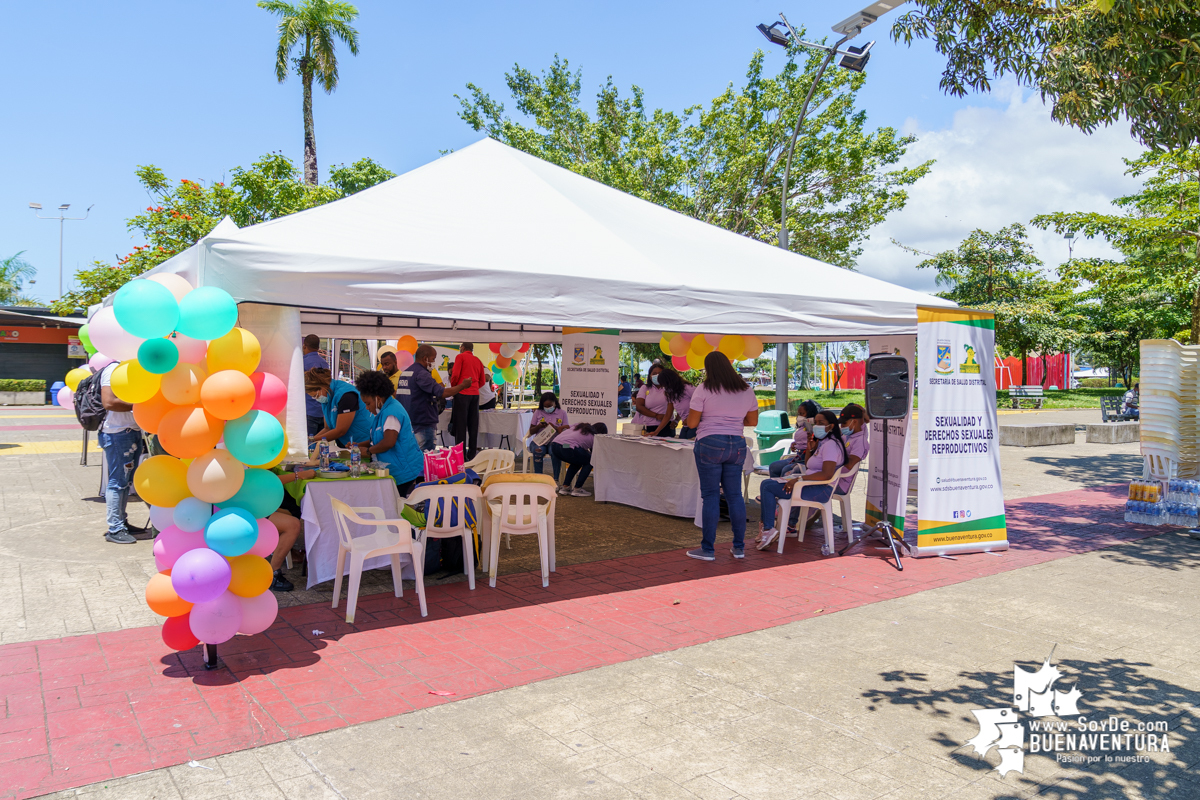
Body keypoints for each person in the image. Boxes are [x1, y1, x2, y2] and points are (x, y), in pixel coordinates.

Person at [685, 352, 759, 561]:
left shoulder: (704, 389)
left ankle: (708, 549)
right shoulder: (745, 389)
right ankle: (739, 547)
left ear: (708, 368)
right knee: (734, 495)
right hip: (736, 443)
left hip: (709, 442)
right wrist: (731, 421)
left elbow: (691, 423)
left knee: (710, 496)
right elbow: (752, 421)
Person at [756, 409, 847, 550]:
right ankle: (767, 528)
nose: (817, 426)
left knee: (768, 487)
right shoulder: (824, 442)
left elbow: (827, 474)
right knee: (767, 483)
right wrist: (810, 449)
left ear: (831, 426)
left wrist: (799, 480)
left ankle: (768, 530)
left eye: (821, 423)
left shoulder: (831, 445)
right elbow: (810, 464)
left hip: (818, 489)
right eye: (815, 422)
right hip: (808, 485)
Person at [98, 361, 148, 544]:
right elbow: (109, 402)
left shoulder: (135, 368)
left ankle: (122, 522)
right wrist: (141, 405)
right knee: (118, 482)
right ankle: (115, 528)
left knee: (125, 482)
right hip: (118, 433)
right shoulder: (113, 369)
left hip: (131, 431)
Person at [355, 370, 426, 496]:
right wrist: (358, 446)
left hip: (405, 473)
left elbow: (388, 442)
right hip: (398, 470)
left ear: (378, 398)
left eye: (368, 404)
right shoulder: (384, 410)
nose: (367, 408)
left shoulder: (391, 412)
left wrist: (368, 451)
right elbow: (378, 439)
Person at [396, 345, 472, 451]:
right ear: (425, 358)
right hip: (423, 423)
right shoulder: (422, 374)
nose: (434, 362)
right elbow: (443, 393)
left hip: (409, 423)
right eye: (433, 359)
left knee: (412, 456)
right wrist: (463, 385)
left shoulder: (405, 373)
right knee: (425, 458)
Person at [267, 468, 317, 592]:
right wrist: (298, 475)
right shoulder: (245, 459)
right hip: (245, 509)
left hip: (253, 505)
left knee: (293, 511)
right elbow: (264, 482)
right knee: (293, 524)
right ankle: (273, 574)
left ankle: (285, 556)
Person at [305, 368, 373, 448]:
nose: (317, 399)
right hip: (348, 445)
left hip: (364, 441)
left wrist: (312, 440)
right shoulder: (327, 397)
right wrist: (310, 442)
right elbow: (327, 428)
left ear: (322, 387)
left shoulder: (346, 395)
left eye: (316, 396)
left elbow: (340, 431)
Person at [550, 422, 608, 497]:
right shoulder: (594, 437)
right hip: (568, 447)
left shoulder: (579, 426)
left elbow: (567, 429)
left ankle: (565, 487)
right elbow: (594, 454)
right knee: (590, 461)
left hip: (556, 445)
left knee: (577, 461)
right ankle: (577, 489)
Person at [450, 342, 487, 460]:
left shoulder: (460, 357)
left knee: (460, 426)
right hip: (475, 394)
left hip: (462, 393)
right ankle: (472, 455)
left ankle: (460, 457)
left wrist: (455, 387)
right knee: (473, 426)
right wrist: (474, 387)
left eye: (460, 347)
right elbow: (482, 380)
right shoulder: (478, 360)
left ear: (463, 348)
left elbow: (455, 375)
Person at [769, 400, 820, 478]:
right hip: (798, 455)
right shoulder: (802, 426)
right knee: (773, 466)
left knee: (786, 470)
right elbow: (800, 440)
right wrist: (795, 444)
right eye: (799, 414)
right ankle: (775, 485)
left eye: (802, 414)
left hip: (806, 457)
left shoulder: (814, 427)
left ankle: (783, 488)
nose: (800, 416)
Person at [528, 392, 570, 480]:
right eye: (545, 406)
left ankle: (556, 479)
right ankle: (538, 478)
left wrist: (555, 428)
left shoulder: (562, 413)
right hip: (540, 441)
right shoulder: (538, 412)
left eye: (550, 406)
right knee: (538, 451)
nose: (547, 408)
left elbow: (566, 430)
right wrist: (539, 426)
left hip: (555, 441)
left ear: (555, 403)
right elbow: (531, 431)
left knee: (555, 452)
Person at [632, 363, 675, 436]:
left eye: (660, 373)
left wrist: (676, 420)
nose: (657, 375)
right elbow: (639, 407)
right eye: (654, 373)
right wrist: (656, 416)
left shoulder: (669, 389)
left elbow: (679, 405)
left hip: (667, 426)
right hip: (649, 426)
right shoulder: (644, 388)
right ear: (650, 376)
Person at [302, 335, 329, 436]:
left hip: (309, 410)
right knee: (322, 444)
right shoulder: (324, 363)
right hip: (323, 411)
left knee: (309, 444)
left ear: (304, 346)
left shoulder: (302, 363)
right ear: (318, 347)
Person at [661, 371, 696, 439]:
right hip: (685, 426)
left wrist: (689, 418)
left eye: (665, 384)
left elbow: (702, 404)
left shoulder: (688, 388)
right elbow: (670, 413)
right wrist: (676, 420)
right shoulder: (672, 393)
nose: (664, 387)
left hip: (695, 426)